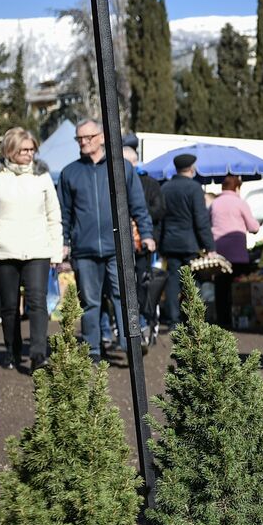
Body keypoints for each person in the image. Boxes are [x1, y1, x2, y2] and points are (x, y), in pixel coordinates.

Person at [58, 119, 152, 362]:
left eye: (88, 137)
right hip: (85, 248)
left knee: (124, 297)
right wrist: (64, 241)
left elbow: (138, 204)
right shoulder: (70, 172)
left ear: (101, 137)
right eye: (79, 138)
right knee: (90, 303)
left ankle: (130, 346)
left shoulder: (121, 168)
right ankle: (93, 350)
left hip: (118, 247)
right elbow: (64, 212)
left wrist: (147, 234)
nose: (83, 142)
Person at [0, 127, 62, 372]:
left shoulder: (42, 175)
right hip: (4, 249)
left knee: (37, 301)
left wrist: (55, 250)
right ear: (10, 150)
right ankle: (12, 351)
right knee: (9, 306)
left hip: (37, 249)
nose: (29, 154)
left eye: (32, 149)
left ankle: (38, 354)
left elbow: (53, 215)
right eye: (24, 149)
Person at [158, 154, 215, 329]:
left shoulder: (165, 188)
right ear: (191, 168)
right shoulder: (194, 188)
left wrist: (159, 243)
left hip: (169, 242)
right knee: (192, 280)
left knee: (173, 281)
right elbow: (201, 220)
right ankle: (192, 317)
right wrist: (210, 246)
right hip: (190, 243)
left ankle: (174, 320)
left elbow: (161, 218)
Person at [123, 136, 164, 345]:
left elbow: (159, 210)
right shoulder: (116, 183)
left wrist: (137, 214)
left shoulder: (150, 184)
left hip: (142, 246)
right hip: (123, 246)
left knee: (144, 287)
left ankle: (147, 325)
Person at [211, 173, 260, 326]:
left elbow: (206, 224)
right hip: (238, 255)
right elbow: (254, 227)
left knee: (221, 291)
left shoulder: (215, 203)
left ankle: (223, 322)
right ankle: (241, 320)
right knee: (239, 289)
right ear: (237, 187)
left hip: (219, 255)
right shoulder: (240, 203)